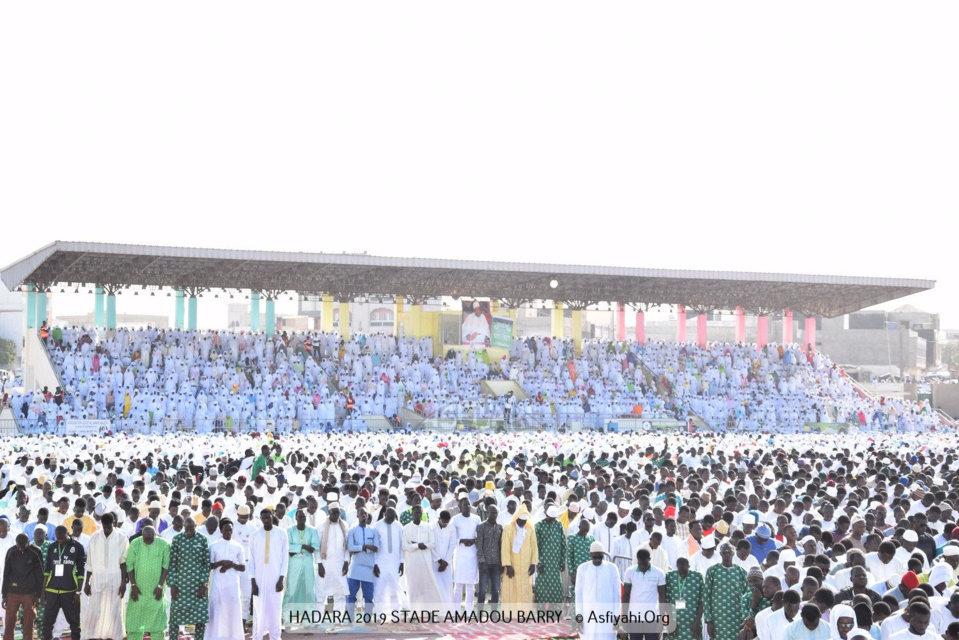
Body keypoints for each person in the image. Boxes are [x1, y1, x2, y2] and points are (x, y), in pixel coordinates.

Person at [81, 512, 129, 640]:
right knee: (96, 609)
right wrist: (87, 582)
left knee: (114, 610)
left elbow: (124, 562)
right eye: (104, 526)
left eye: (109, 526)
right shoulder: (94, 537)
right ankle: (93, 636)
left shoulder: (121, 538)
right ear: (101, 524)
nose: (107, 529)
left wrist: (123, 582)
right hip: (97, 579)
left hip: (115, 578)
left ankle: (114, 636)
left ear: (113, 523)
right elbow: (89, 563)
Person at [168, 517, 210, 640]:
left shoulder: (202, 540)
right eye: (187, 529)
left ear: (195, 526)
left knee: (200, 618)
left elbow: (206, 564)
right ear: (184, 527)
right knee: (175, 618)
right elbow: (172, 563)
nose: (189, 531)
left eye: (191, 528)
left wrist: (203, 584)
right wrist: (173, 585)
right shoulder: (177, 540)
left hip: (198, 588)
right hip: (180, 587)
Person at [125, 525, 169, 640]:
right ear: (142, 535)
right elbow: (129, 565)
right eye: (145, 538)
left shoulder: (164, 544)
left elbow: (166, 566)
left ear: (155, 535)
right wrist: (133, 585)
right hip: (138, 590)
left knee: (157, 626)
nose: (148, 541)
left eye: (150, 538)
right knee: (134, 624)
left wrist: (160, 586)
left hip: (156, 591)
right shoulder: (135, 543)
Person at [249, 509, 288, 640]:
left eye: (268, 517)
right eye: (263, 518)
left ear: (273, 517)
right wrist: (253, 582)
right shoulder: (254, 535)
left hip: (276, 577)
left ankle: (275, 637)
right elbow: (251, 560)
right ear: (260, 518)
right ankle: (257, 637)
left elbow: (285, 559)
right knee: (258, 609)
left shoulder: (281, 534)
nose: (266, 520)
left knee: (275, 609)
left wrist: (282, 578)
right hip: (259, 579)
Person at [41, 525, 84, 640]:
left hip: (70, 592)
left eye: (62, 538)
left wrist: (78, 592)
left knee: (74, 623)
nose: (60, 541)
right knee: (47, 623)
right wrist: (43, 591)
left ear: (68, 533)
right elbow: (47, 569)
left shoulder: (78, 547)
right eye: (58, 538)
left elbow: (81, 571)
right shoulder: (52, 546)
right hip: (52, 591)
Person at [208, 519, 246, 640]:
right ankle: (215, 636)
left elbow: (243, 567)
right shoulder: (214, 545)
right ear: (221, 530)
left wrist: (231, 565)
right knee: (217, 608)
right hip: (218, 583)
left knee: (232, 608)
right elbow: (209, 565)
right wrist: (221, 563)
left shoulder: (238, 546)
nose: (228, 532)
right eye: (226, 530)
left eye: (230, 530)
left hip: (232, 584)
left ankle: (233, 636)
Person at [575, 542, 621, 640]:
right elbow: (578, 594)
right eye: (595, 557)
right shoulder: (582, 568)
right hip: (588, 612)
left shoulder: (612, 568)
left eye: (600, 557)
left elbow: (617, 594)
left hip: (607, 613)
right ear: (590, 554)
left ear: (603, 555)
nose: (597, 560)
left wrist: (617, 616)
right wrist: (579, 616)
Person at [2, 533, 43, 640]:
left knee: (29, 621)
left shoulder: (36, 551)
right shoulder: (11, 551)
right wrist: (4, 595)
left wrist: (38, 595)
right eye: (18, 546)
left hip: (29, 593)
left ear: (28, 542)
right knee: (9, 620)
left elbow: (40, 574)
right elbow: (6, 574)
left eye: (23, 546)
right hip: (13, 592)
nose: (20, 548)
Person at [704, 543, 749, 640]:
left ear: (734, 553)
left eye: (729, 552)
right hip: (717, 619)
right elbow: (706, 596)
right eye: (724, 552)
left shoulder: (741, 572)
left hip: (737, 618)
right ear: (720, 554)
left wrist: (746, 620)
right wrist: (708, 621)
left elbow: (747, 597)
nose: (727, 554)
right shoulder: (712, 571)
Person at [500, 505, 538, 617]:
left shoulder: (530, 528)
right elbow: (505, 547)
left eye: (525, 521)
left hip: (526, 566)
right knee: (511, 589)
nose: (522, 523)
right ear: (516, 518)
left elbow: (534, 546)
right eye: (521, 521)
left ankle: (525, 614)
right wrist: (507, 565)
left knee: (525, 589)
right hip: (512, 565)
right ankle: (509, 614)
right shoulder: (508, 528)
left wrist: (533, 563)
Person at [623, 547, 667, 640]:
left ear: (650, 560)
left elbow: (662, 596)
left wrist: (662, 618)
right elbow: (626, 595)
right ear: (637, 560)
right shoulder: (630, 572)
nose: (642, 566)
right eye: (640, 564)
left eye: (645, 564)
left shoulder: (659, 573)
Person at [403, 504, 442, 608]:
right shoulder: (406, 528)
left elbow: (432, 543)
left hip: (425, 562)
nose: (418, 515)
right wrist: (417, 545)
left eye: (420, 513)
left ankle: (431, 612)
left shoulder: (427, 526)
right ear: (412, 513)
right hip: (412, 562)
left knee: (428, 587)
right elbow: (405, 546)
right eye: (416, 513)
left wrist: (422, 545)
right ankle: (413, 614)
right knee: (413, 588)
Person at [345, 508, 378, 618]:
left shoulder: (373, 530)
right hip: (355, 567)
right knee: (351, 595)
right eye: (361, 514)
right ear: (357, 516)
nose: (364, 516)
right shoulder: (352, 530)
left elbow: (376, 547)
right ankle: (350, 619)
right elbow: (350, 548)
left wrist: (360, 548)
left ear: (367, 516)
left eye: (365, 514)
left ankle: (367, 619)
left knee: (369, 596)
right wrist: (365, 546)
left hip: (369, 567)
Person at [316, 502, 348, 615]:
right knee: (321, 593)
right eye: (334, 513)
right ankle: (317, 620)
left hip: (340, 564)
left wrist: (346, 562)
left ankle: (338, 619)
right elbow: (317, 548)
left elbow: (347, 547)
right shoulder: (321, 527)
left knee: (340, 593)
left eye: (338, 513)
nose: (336, 515)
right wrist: (319, 564)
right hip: (325, 564)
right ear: (329, 513)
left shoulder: (344, 526)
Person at [284, 509, 319, 609]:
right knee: (292, 588)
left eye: (304, 517)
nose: (302, 519)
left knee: (309, 589)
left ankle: (309, 619)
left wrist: (296, 548)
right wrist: (303, 546)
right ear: (295, 518)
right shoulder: (290, 530)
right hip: (294, 562)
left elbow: (315, 546)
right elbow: (288, 547)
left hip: (308, 561)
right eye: (300, 517)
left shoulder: (312, 530)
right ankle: (288, 618)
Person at [372, 507, 404, 614]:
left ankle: (395, 613)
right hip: (381, 562)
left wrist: (402, 562)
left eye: (393, 518)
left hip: (395, 562)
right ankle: (379, 614)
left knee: (394, 589)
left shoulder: (398, 526)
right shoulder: (377, 526)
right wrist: (375, 563)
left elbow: (401, 545)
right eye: (389, 517)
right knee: (379, 589)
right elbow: (374, 546)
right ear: (384, 514)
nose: (391, 520)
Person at [534, 505, 567, 607]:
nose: (552, 520)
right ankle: (541, 611)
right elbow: (535, 546)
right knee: (542, 588)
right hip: (543, 562)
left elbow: (563, 544)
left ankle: (554, 611)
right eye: (550, 518)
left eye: (554, 518)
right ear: (546, 515)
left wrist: (562, 561)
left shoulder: (559, 525)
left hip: (556, 563)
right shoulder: (539, 525)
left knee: (556, 588)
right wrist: (538, 563)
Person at [451, 497, 480, 613]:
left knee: (470, 586)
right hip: (460, 554)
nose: (467, 507)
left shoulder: (476, 519)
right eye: (464, 505)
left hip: (472, 554)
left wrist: (474, 540)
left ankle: (469, 612)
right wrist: (461, 541)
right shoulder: (455, 520)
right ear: (460, 507)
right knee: (458, 585)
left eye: (468, 505)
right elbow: (452, 537)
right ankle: (455, 611)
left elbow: (479, 535)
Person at [666, 556, 704, 640]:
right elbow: (665, 601)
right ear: (676, 567)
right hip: (674, 623)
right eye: (680, 571)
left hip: (693, 624)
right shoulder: (670, 576)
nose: (682, 574)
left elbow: (702, 601)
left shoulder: (698, 577)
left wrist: (697, 622)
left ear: (689, 567)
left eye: (684, 571)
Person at [475, 505, 503, 612]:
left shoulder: (500, 527)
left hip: (496, 563)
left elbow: (501, 546)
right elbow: (479, 546)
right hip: (485, 564)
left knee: (495, 591)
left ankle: (494, 613)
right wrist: (482, 562)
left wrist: (501, 563)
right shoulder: (481, 527)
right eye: (492, 513)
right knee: (482, 591)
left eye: (496, 513)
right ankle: (480, 613)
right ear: (487, 513)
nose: (494, 515)